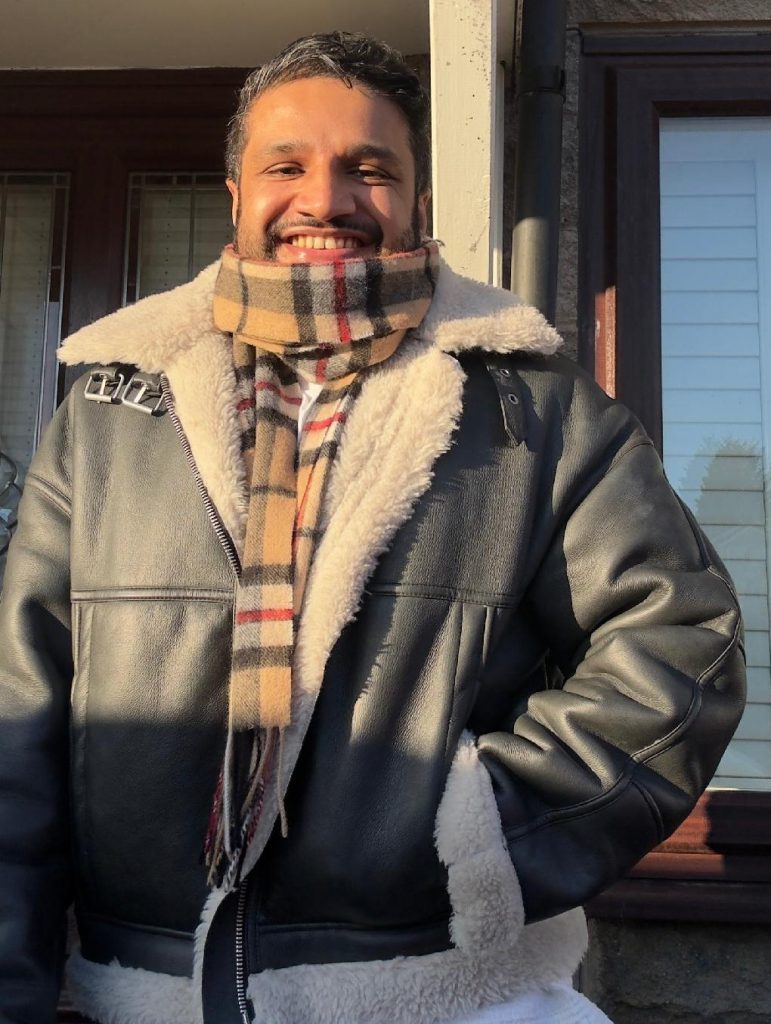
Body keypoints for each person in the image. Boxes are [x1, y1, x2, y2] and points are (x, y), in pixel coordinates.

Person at [0, 31, 745, 1024]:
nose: (326, 198)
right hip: (142, 992)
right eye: (288, 166)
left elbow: (682, 640)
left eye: (369, 167)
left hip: (441, 991)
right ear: (235, 196)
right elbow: (18, 719)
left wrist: (487, 833)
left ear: (416, 203)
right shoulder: (107, 413)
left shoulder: (534, 405)